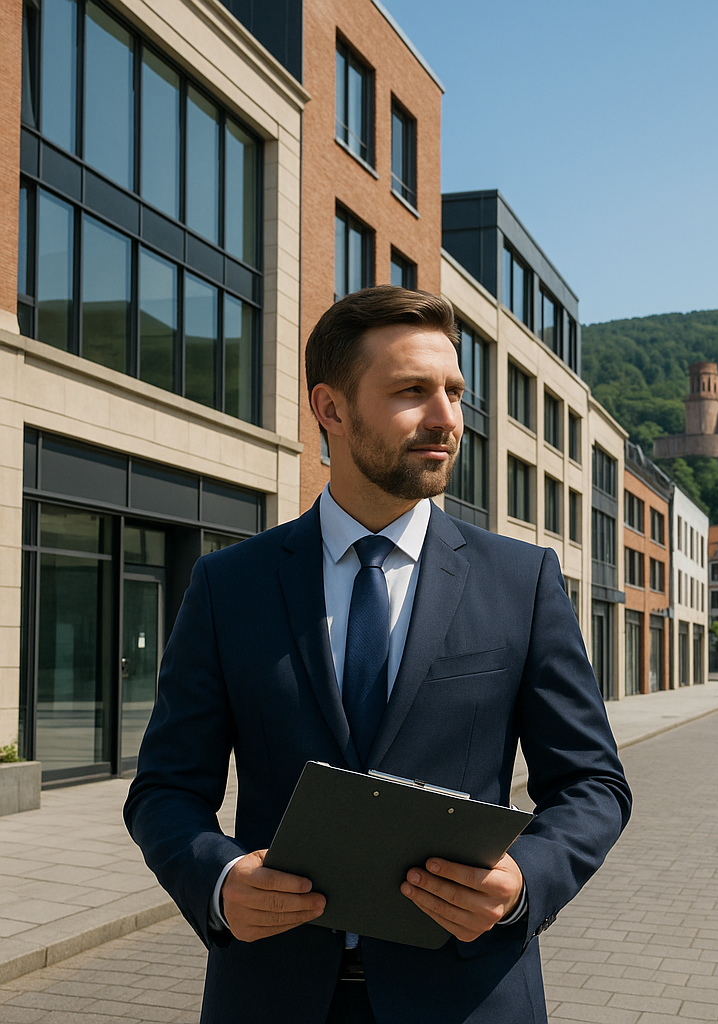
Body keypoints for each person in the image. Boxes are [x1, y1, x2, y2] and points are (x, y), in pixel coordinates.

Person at [124, 286, 631, 1024]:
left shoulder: (522, 582)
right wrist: (220, 877)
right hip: (272, 995)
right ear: (330, 409)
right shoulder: (228, 586)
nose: (448, 418)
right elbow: (164, 789)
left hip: (468, 994)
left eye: (454, 392)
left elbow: (592, 783)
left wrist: (525, 880)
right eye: (412, 392)